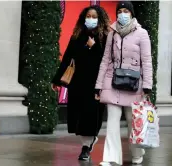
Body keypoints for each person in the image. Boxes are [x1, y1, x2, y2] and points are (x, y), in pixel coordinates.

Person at [94, 1, 152, 166]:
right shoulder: (112, 33)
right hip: (113, 82)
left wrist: (148, 85)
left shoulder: (142, 33)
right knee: (112, 121)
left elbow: (147, 61)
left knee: (133, 121)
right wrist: (99, 85)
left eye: (126, 11)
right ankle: (111, 158)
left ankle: (137, 153)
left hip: (134, 84)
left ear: (132, 14)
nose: (122, 14)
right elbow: (105, 60)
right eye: (120, 11)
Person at [51, 5, 110, 161]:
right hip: (78, 82)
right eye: (88, 16)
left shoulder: (105, 37)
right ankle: (87, 142)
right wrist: (56, 80)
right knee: (80, 115)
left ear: (100, 19)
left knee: (92, 115)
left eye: (94, 16)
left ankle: (86, 147)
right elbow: (67, 58)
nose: (90, 19)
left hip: (96, 83)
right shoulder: (77, 36)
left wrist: (94, 46)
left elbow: (107, 60)